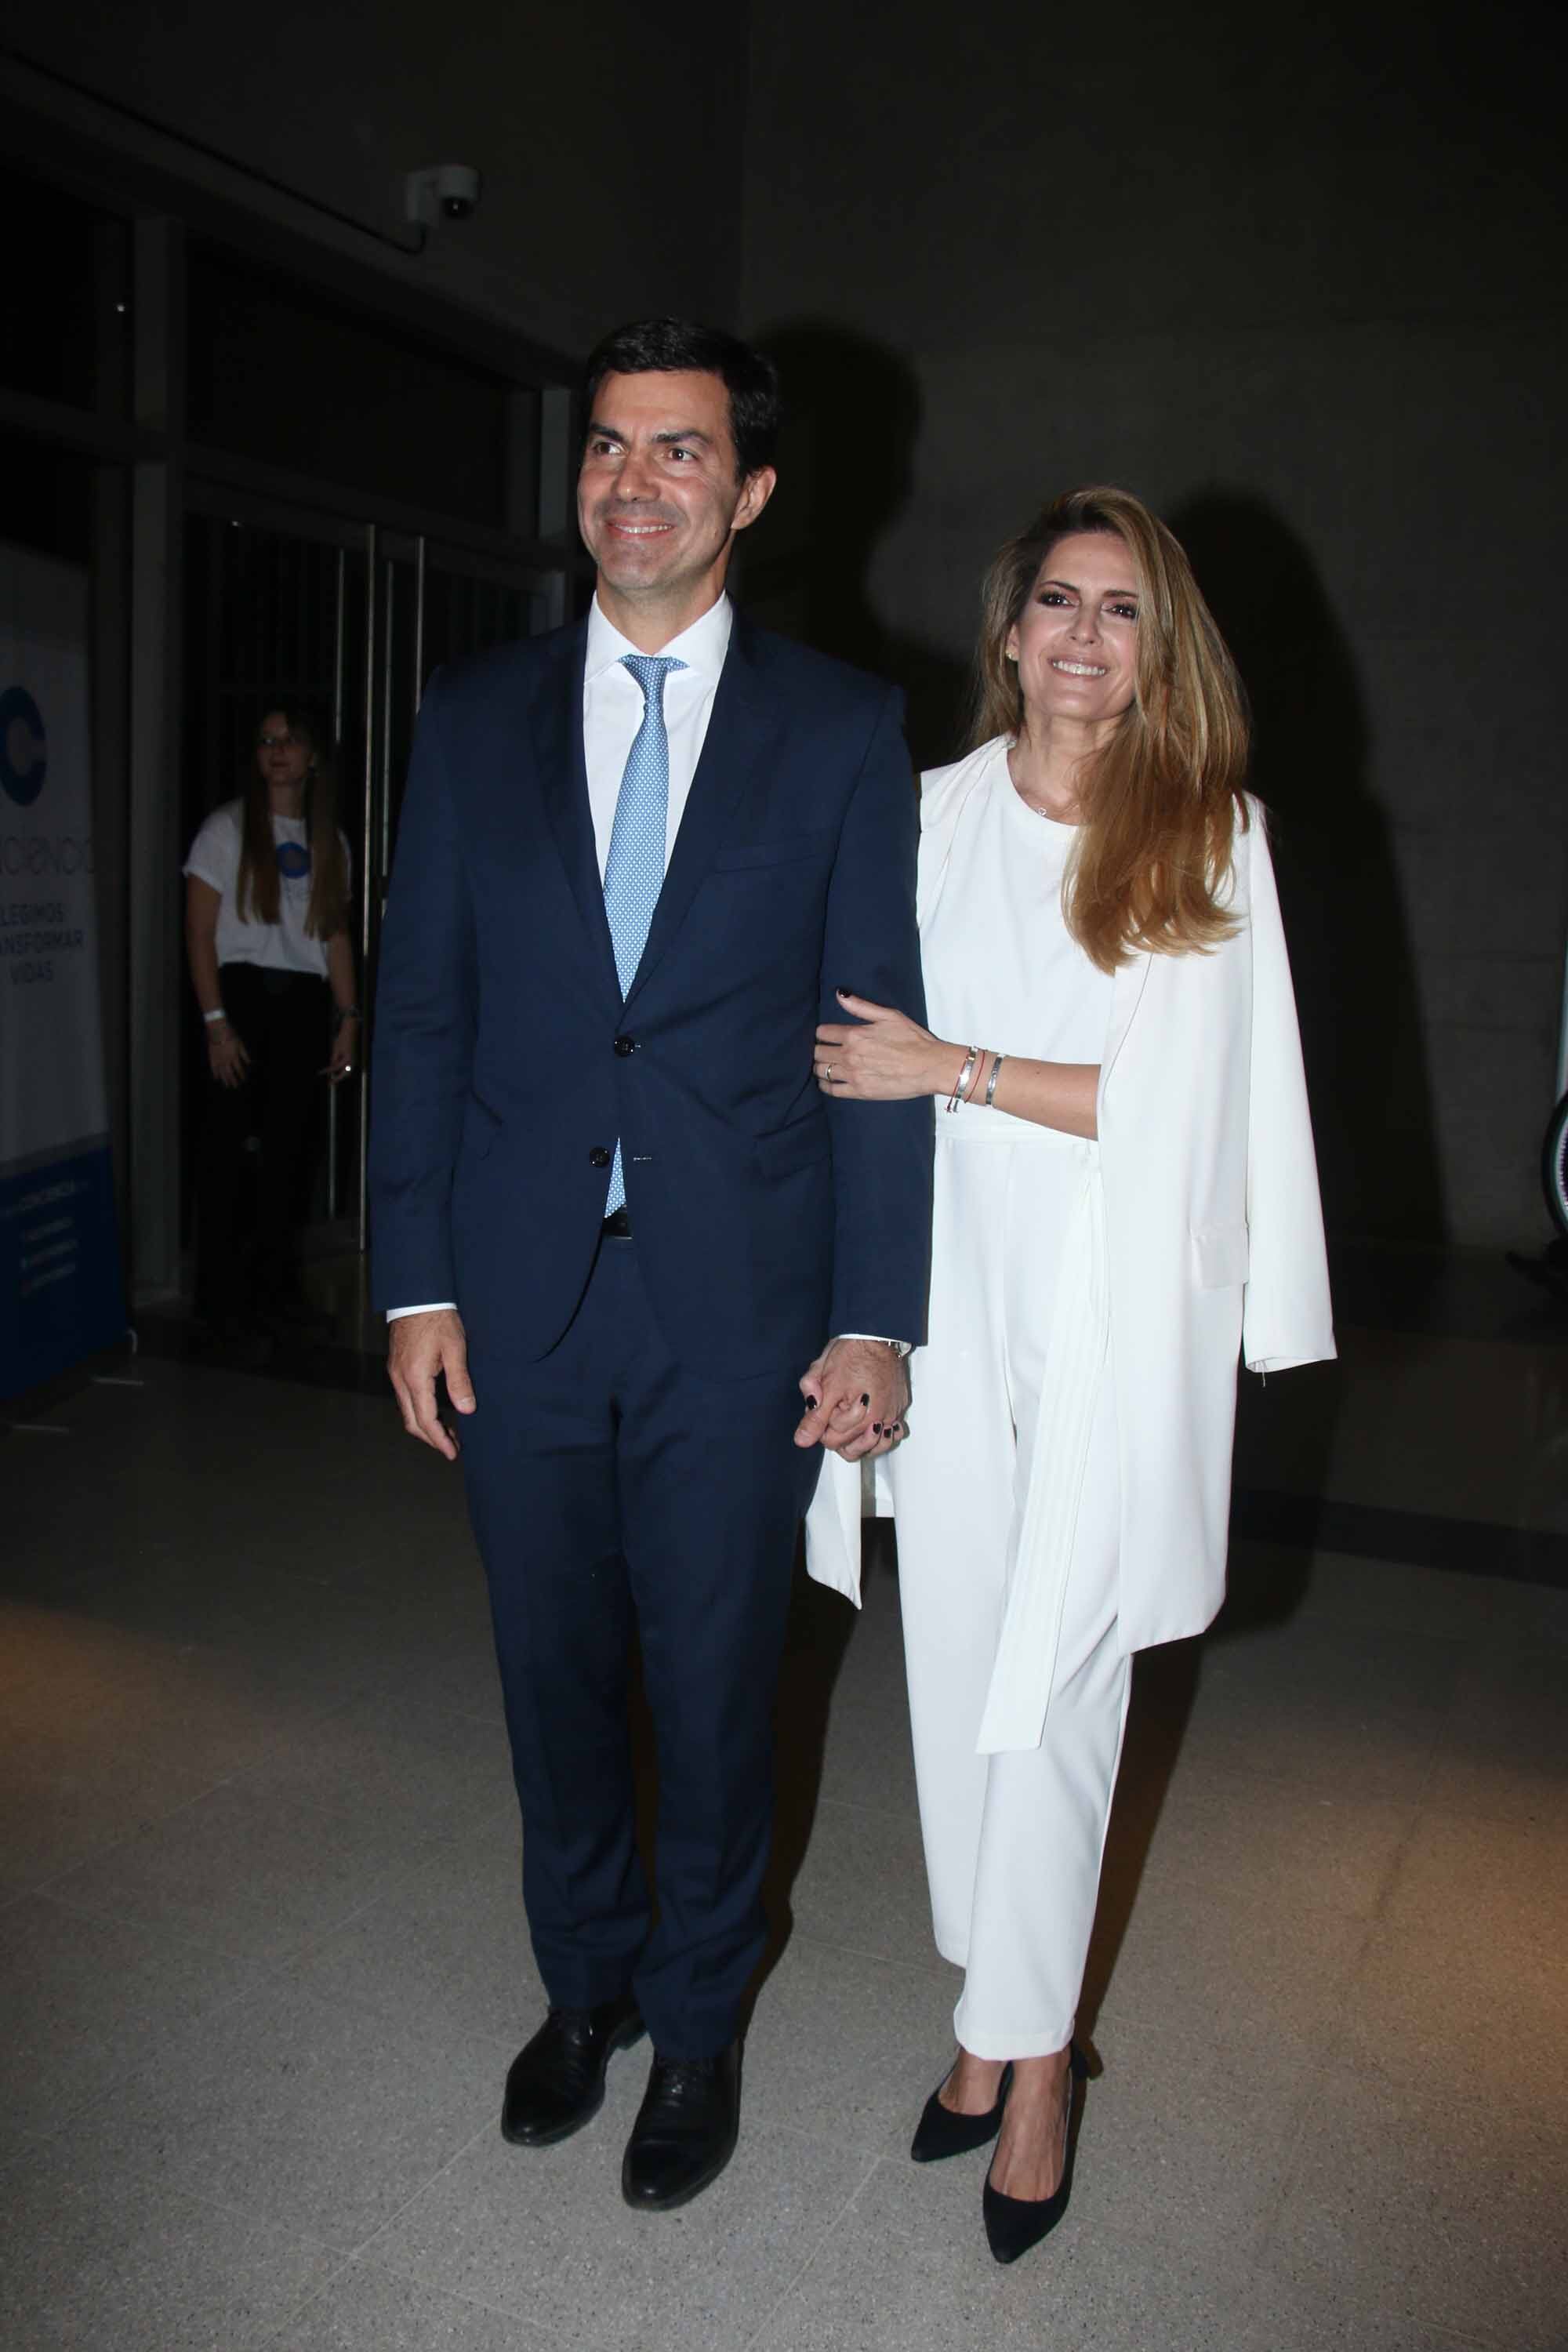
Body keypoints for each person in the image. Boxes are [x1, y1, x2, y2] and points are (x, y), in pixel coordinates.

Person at [368, 319, 931, 2212]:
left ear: (749, 491)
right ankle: (585, 1983)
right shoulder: (471, 717)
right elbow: (423, 1017)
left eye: (677, 451)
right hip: (519, 1297)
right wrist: (410, 1280)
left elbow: (870, 1036)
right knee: (550, 1675)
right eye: (607, 447)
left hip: (738, 1306)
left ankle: (695, 2023)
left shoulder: (843, 729)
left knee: (707, 1682)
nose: (631, 482)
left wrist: (872, 1308)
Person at [808, 485, 1334, 2263]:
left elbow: (1176, 1116)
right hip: (949, 1285)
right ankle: (991, 2011)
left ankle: (1028, 2070)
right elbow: (835, 1064)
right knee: (956, 1661)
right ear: (1008, 629)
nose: (1085, 634)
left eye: (1121, 607)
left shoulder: (1208, 835)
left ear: (1153, 644)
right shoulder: (926, 818)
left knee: (1061, 1668)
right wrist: (841, 1304)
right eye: (1057, 599)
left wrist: (949, 1065)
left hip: (1114, 1307)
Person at [183, 705, 358, 1343]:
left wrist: (348, 1019)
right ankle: (221, 1298)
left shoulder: (328, 840)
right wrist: (216, 1023)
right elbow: (199, 932)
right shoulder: (225, 829)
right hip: (243, 997)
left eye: (289, 741)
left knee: (292, 1154)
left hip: (304, 1005)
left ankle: (278, 1290)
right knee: (229, 1152)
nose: (277, 751)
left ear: (313, 758)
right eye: (266, 741)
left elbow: (335, 936)